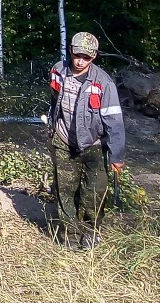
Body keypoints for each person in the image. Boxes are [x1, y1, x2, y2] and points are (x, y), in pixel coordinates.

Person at [46, 30, 126, 248]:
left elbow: (114, 122)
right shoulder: (58, 70)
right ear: (71, 51)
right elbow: (54, 100)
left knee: (95, 193)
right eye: (77, 55)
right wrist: (53, 127)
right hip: (63, 140)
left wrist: (116, 155)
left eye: (87, 58)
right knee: (65, 191)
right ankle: (70, 237)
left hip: (94, 144)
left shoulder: (103, 83)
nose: (80, 62)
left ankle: (91, 233)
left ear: (94, 57)